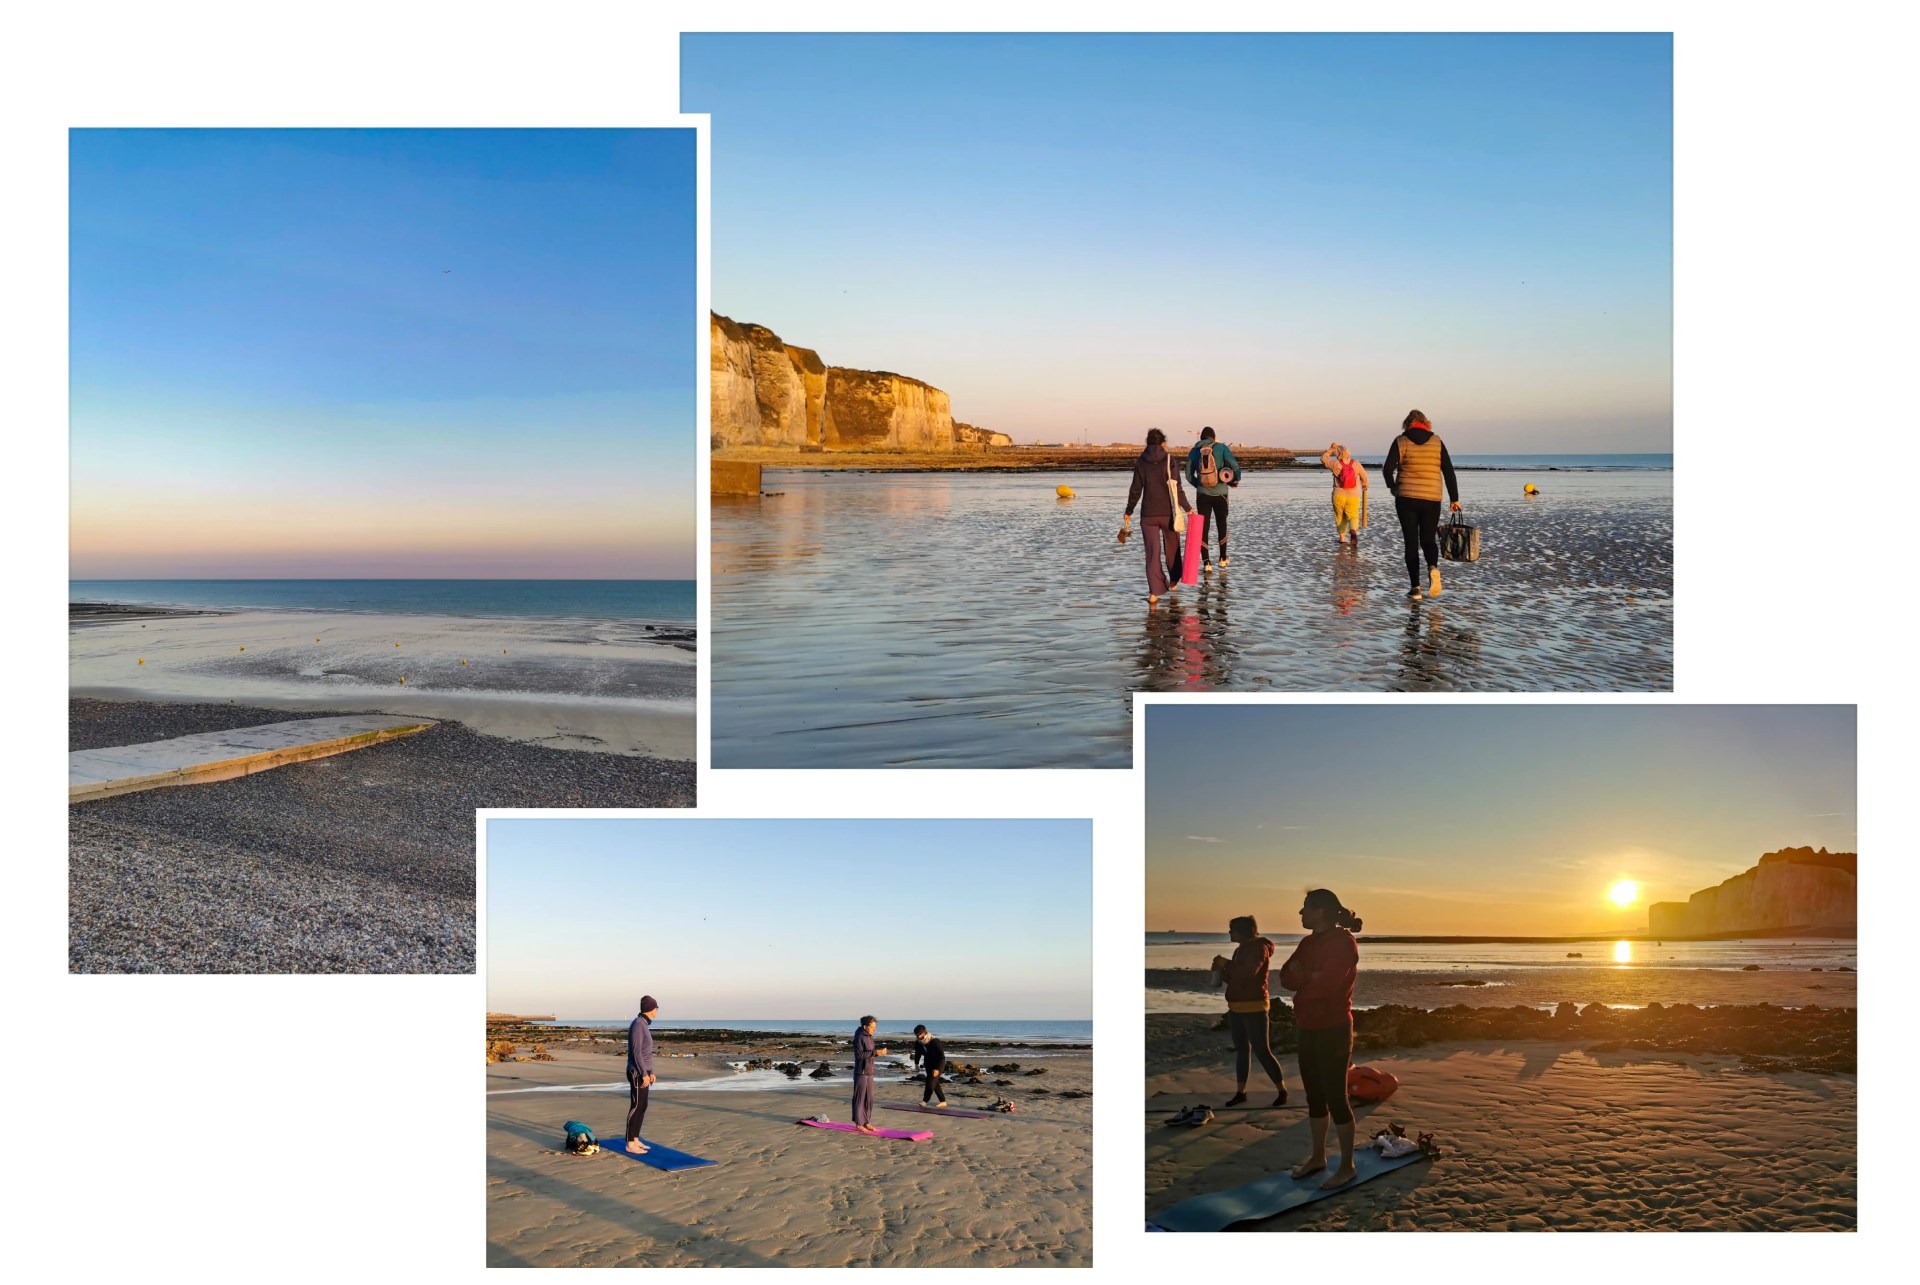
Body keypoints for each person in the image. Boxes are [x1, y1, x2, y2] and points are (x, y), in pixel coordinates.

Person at [1278, 890, 1363, 1190]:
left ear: (1322, 911)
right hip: (1308, 1026)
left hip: (1334, 1028)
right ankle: (1317, 1157)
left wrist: (1305, 980)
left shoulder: (1343, 943)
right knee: (1314, 1095)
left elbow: (1327, 985)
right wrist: (1305, 979)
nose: (1301, 914)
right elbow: (1286, 977)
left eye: (1306, 909)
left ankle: (1347, 1166)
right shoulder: (1307, 942)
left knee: (1336, 1097)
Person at [1380, 410, 1461, 601]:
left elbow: (1387, 469)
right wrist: (1454, 498)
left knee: (1411, 543)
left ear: (1407, 424)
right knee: (1428, 540)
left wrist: (1393, 487)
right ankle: (1433, 567)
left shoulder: (1400, 440)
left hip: (1406, 497)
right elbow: (1448, 471)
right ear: (1426, 423)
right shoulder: (1437, 441)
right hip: (1432, 498)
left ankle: (1415, 589)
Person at [1210, 915, 1290, 1109]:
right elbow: (1237, 978)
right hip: (1236, 1007)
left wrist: (1226, 964)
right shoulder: (1240, 950)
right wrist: (1221, 970)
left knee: (1262, 1051)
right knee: (1242, 1051)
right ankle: (1241, 1092)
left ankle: (1282, 1090)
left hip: (1255, 1006)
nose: (1229, 933)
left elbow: (1247, 973)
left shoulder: (1259, 948)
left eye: (1232, 930)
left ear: (1242, 931)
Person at [1121, 428, 1195, 606]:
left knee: (1152, 554)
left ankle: (1154, 593)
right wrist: (1188, 508)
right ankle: (1174, 580)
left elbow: (1135, 490)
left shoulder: (1141, 462)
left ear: (1147, 443)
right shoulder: (1169, 459)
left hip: (1148, 515)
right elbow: (1177, 488)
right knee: (1172, 547)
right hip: (1169, 513)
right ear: (1163, 443)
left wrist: (1129, 510)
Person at [1185, 426, 1240, 572]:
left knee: (1204, 528)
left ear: (1201, 438)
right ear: (1213, 438)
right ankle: (1222, 558)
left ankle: (1207, 562)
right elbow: (1234, 464)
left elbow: (1188, 475)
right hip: (1221, 493)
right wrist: (1236, 479)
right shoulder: (1221, 448)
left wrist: (1199, 485)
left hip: (1203, 495)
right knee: (1222, 524)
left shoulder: (1194, 451)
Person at [625, 995, 659, 1154]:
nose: (657, 1010)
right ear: (652, 1009)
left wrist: (650, 1072)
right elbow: (636, 1052)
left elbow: (646, 1053)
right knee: (636, 1105)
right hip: (636, 1071)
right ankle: (629, 1143)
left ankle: (636, 1139)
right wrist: (643, 1073)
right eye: (656, 1008)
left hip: (643, 1072)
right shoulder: (639, 1024)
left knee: (643, 1105)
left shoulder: (644, 1024)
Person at [1317, 443, 1370, 546]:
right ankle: (1353, 530)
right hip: (1353, 495)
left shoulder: (1335, 464)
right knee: (1353, 515)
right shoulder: (1356, 464)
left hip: (1339, 495)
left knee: (1340, 516)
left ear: (1338, 454)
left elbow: (1323, 459)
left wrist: (1330, 449)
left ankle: (1342, 538)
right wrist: (1365, 485)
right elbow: (1364, 476)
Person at [851, 1015, 890, 1133]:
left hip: (869, 1071)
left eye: (875, 1027)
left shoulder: (869, 1037)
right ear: (865, 1026)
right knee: (860, 1098)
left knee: (869, 1098)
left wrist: (878, 1053)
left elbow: (869, 1053)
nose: (874, 1030)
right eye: (872, 1027)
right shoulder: (859, 1036)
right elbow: (859, 1055)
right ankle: (859, 1123)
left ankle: (866, 1122)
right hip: (861, 1072)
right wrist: (875, 1052)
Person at [913, 1024, 948, 1107]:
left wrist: (938, 1069)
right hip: (928, 1064)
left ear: (924, 1033)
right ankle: (943, 1101)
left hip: (938, 1063)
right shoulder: (918, 1043)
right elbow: (917, 1053)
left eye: (919, 1034)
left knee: (930, 1082)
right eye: (916, 1035)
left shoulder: (935, 1041)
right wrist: (916, 1064)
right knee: (935, 1083)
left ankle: (925, 1101)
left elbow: (942, 1057)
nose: (918, 1036)